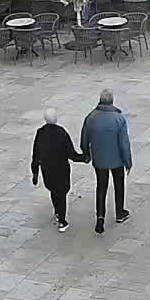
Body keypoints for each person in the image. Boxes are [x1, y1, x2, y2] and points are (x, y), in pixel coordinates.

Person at [79, 89, 133, 233]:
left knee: (101, 187)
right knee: (119, 184)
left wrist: (86, 153)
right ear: (112, 101)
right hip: (117, 160)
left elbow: (84, 139)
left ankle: (100, 217)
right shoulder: (119, 119)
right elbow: (124, 143)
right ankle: (120, 212)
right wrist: (128, 160)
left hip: (99, 159)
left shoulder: (90, 117)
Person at [30, 109, 86, 232]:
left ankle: (57, 212)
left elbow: (35, 154)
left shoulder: (40, 133)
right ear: (56, 119)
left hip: (47, 169)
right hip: (61, 169)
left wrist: (35, 172)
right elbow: (71, 154)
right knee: (62, 193)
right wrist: (84, 158)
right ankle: (62, 220)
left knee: (53, 190)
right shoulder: (61, 133)